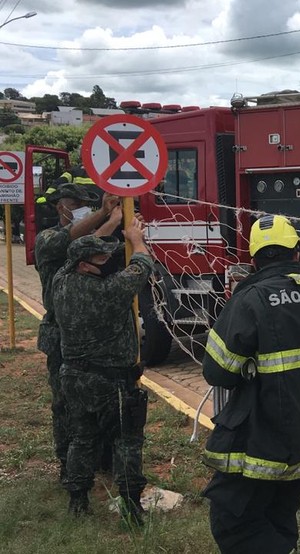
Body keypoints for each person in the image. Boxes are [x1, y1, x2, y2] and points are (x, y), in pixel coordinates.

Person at [201, 214, 300, 553]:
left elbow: (217, 371)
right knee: (280, 516)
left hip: (260, 442)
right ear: (297, 252)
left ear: (253, 258)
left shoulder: (250, 299)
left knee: (234, 523)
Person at [51, 218, 154, 523]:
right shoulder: (108, 291)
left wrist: (110, 223)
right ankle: (132, 506)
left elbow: (89, 245)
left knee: (82, 438)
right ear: (84, 265)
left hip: (73, 376)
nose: (109, 262)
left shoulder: (60, 280)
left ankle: (78, 500)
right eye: (102, 259)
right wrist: (135, 239)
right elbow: (141, 267)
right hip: (111, 382)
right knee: (126, 440)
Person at [34, 183, 121, 482]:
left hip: (97, 336)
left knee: (104, 400)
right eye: (77, 204)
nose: (83, 209)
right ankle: (67, 467)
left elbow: (95, 244)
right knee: (66, 404)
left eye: (88, 204)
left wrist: (116, 222)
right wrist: (103, 214)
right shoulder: (46, 240)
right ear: (61, 207)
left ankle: (102, 461)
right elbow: (71, 243)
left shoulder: (92, 242)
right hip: (61, 334)